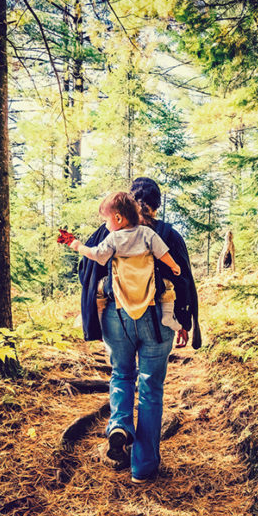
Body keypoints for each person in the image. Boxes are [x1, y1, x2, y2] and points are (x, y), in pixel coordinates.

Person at [76, 178, 201, 483]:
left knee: (121, 373)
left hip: (115, 315)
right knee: (151, 387)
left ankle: (119, 424)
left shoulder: (108, 232)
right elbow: (182, 276)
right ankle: (143, 467)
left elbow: (84, 272)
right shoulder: (166, 233)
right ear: (157, 205)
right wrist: (185, 321)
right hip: (159, 316)